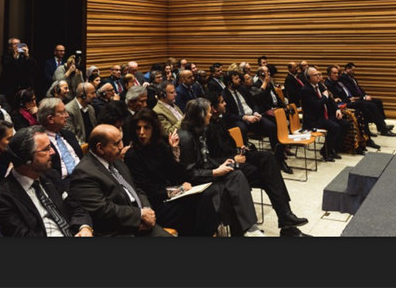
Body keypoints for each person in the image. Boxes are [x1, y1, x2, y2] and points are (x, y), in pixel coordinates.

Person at [204, 91, 310, 236]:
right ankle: (285, 220)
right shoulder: (206, 128)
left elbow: (229, 143)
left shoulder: (220, 120)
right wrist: (234, 158)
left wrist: (240, 148)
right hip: (228, 165)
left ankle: (286, 216)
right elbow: (209, 159)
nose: (225, 103)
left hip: (237, 156)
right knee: (269, 177)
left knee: (268, 158)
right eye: (222, 102)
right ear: (214, 108)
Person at [124, 108, 220, 236]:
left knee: (205, 195)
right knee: (197, 204)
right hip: (155, 205)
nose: (141, 132)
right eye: (138, 128)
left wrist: (174, 151)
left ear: (153, 129)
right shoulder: (132, 155)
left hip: (171, 197)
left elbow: (178, 173)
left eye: (146, 128)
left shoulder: (160, 146)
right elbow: (148, 190)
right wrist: (180, 189)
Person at [177, 97, 266, 237]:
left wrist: (221, 165)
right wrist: (215, 172)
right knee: (229, 192)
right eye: (208, 112)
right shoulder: (186, 138)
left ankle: (249, 227)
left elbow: (206, 159)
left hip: (206, 173)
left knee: (236, 174)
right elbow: (190, 173)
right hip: (195, 183)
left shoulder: (200, 131)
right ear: (200, 115)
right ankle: (246, 229)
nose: (210, 114)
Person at [0, 125, 94, 237]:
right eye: (46, 149)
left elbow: (77, 207)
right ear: (27, 159)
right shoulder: (1, 199)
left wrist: (84, 228)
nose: (53, 152)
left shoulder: (51, 176)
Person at [68, 124, 173, 237]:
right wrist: (139, 215)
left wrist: (147, 211)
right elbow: (102, 210)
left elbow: (136, 189)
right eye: (116, 143)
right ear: (100, 148)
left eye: (121, 141)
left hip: (140, 222)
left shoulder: (115, 160)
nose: (121, 147)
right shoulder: (84, 173)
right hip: (117, 231)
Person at [223, 69, 292, 173]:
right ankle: (248, 162)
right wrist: (245, 117)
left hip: (253, 116)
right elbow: (228, 115)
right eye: (236, 79)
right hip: (240, 119)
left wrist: (255, 112)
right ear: (229, 82)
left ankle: (279, 160)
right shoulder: (224, 95)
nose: (239, 80)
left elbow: (254, 103)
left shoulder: (242, 89)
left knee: (272, 127)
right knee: (241, 128)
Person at [325, 65, 381, 150]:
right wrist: (349, 99)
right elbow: (337, 99)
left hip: (349, 100)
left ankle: (366, 138)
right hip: (342, 105)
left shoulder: (339, 82)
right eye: (334, 73)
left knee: (364, 110)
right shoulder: (328, 84)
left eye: (337, 73)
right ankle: (369, 135)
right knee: (364, 105)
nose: (337, 75)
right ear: (329, 74)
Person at [301, 66, 351, 161]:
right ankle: (325, 151)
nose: (318, 76)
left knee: (345, 124)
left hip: (324, 116)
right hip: (314, 119)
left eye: (318, 74)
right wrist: (324, 97)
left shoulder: (319, 85)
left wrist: (337, 109)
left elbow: (331, 99)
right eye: (315, 75)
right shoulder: (305, 90)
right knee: (335, 127)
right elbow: (317, 105)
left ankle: (334, 148)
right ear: (308, 78)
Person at [340, 62, 396, 137]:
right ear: (347, 69)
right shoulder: (344, 78)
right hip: (355, 99)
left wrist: (365, 95)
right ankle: (383, 128)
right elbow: (352, 91)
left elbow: (359, 89)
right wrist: (363, 97)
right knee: (372, 105)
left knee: (378, 102)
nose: (354, 72)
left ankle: (381, 125)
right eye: (353, 70)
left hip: (360, 97)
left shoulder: (351, 78)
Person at [36, 97, 83, 188]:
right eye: (62, 112)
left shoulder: (69, 134)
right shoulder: (40, 143)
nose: (67, 115)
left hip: (84, 176)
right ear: (50, 119)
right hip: (63, 185)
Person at [0, 37, 38, 106]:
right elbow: (8, 69)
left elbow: (34, 67)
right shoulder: (6, 56)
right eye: (14, 44)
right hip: (10, 85)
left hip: (23, 85)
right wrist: (15, 57)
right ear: (10, 47)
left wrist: (27, 56)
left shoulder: (24, 55)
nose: (17, 46)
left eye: (19, 44)